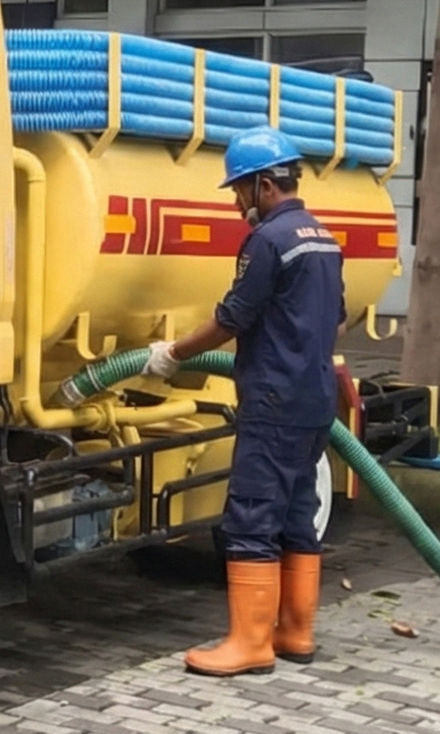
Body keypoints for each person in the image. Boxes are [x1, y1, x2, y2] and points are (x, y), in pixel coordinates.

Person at [141, 125, 345, 677]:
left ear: (264, 185)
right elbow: (336, 319)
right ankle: (296, 633)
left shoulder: (269, 241)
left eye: (238, 190)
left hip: (274, 401)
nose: (236, 202)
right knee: (297, 514)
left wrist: (173, 353)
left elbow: (233, 318)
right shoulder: (323, 238)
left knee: (252, 516)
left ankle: (250, 643)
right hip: (315, 398)